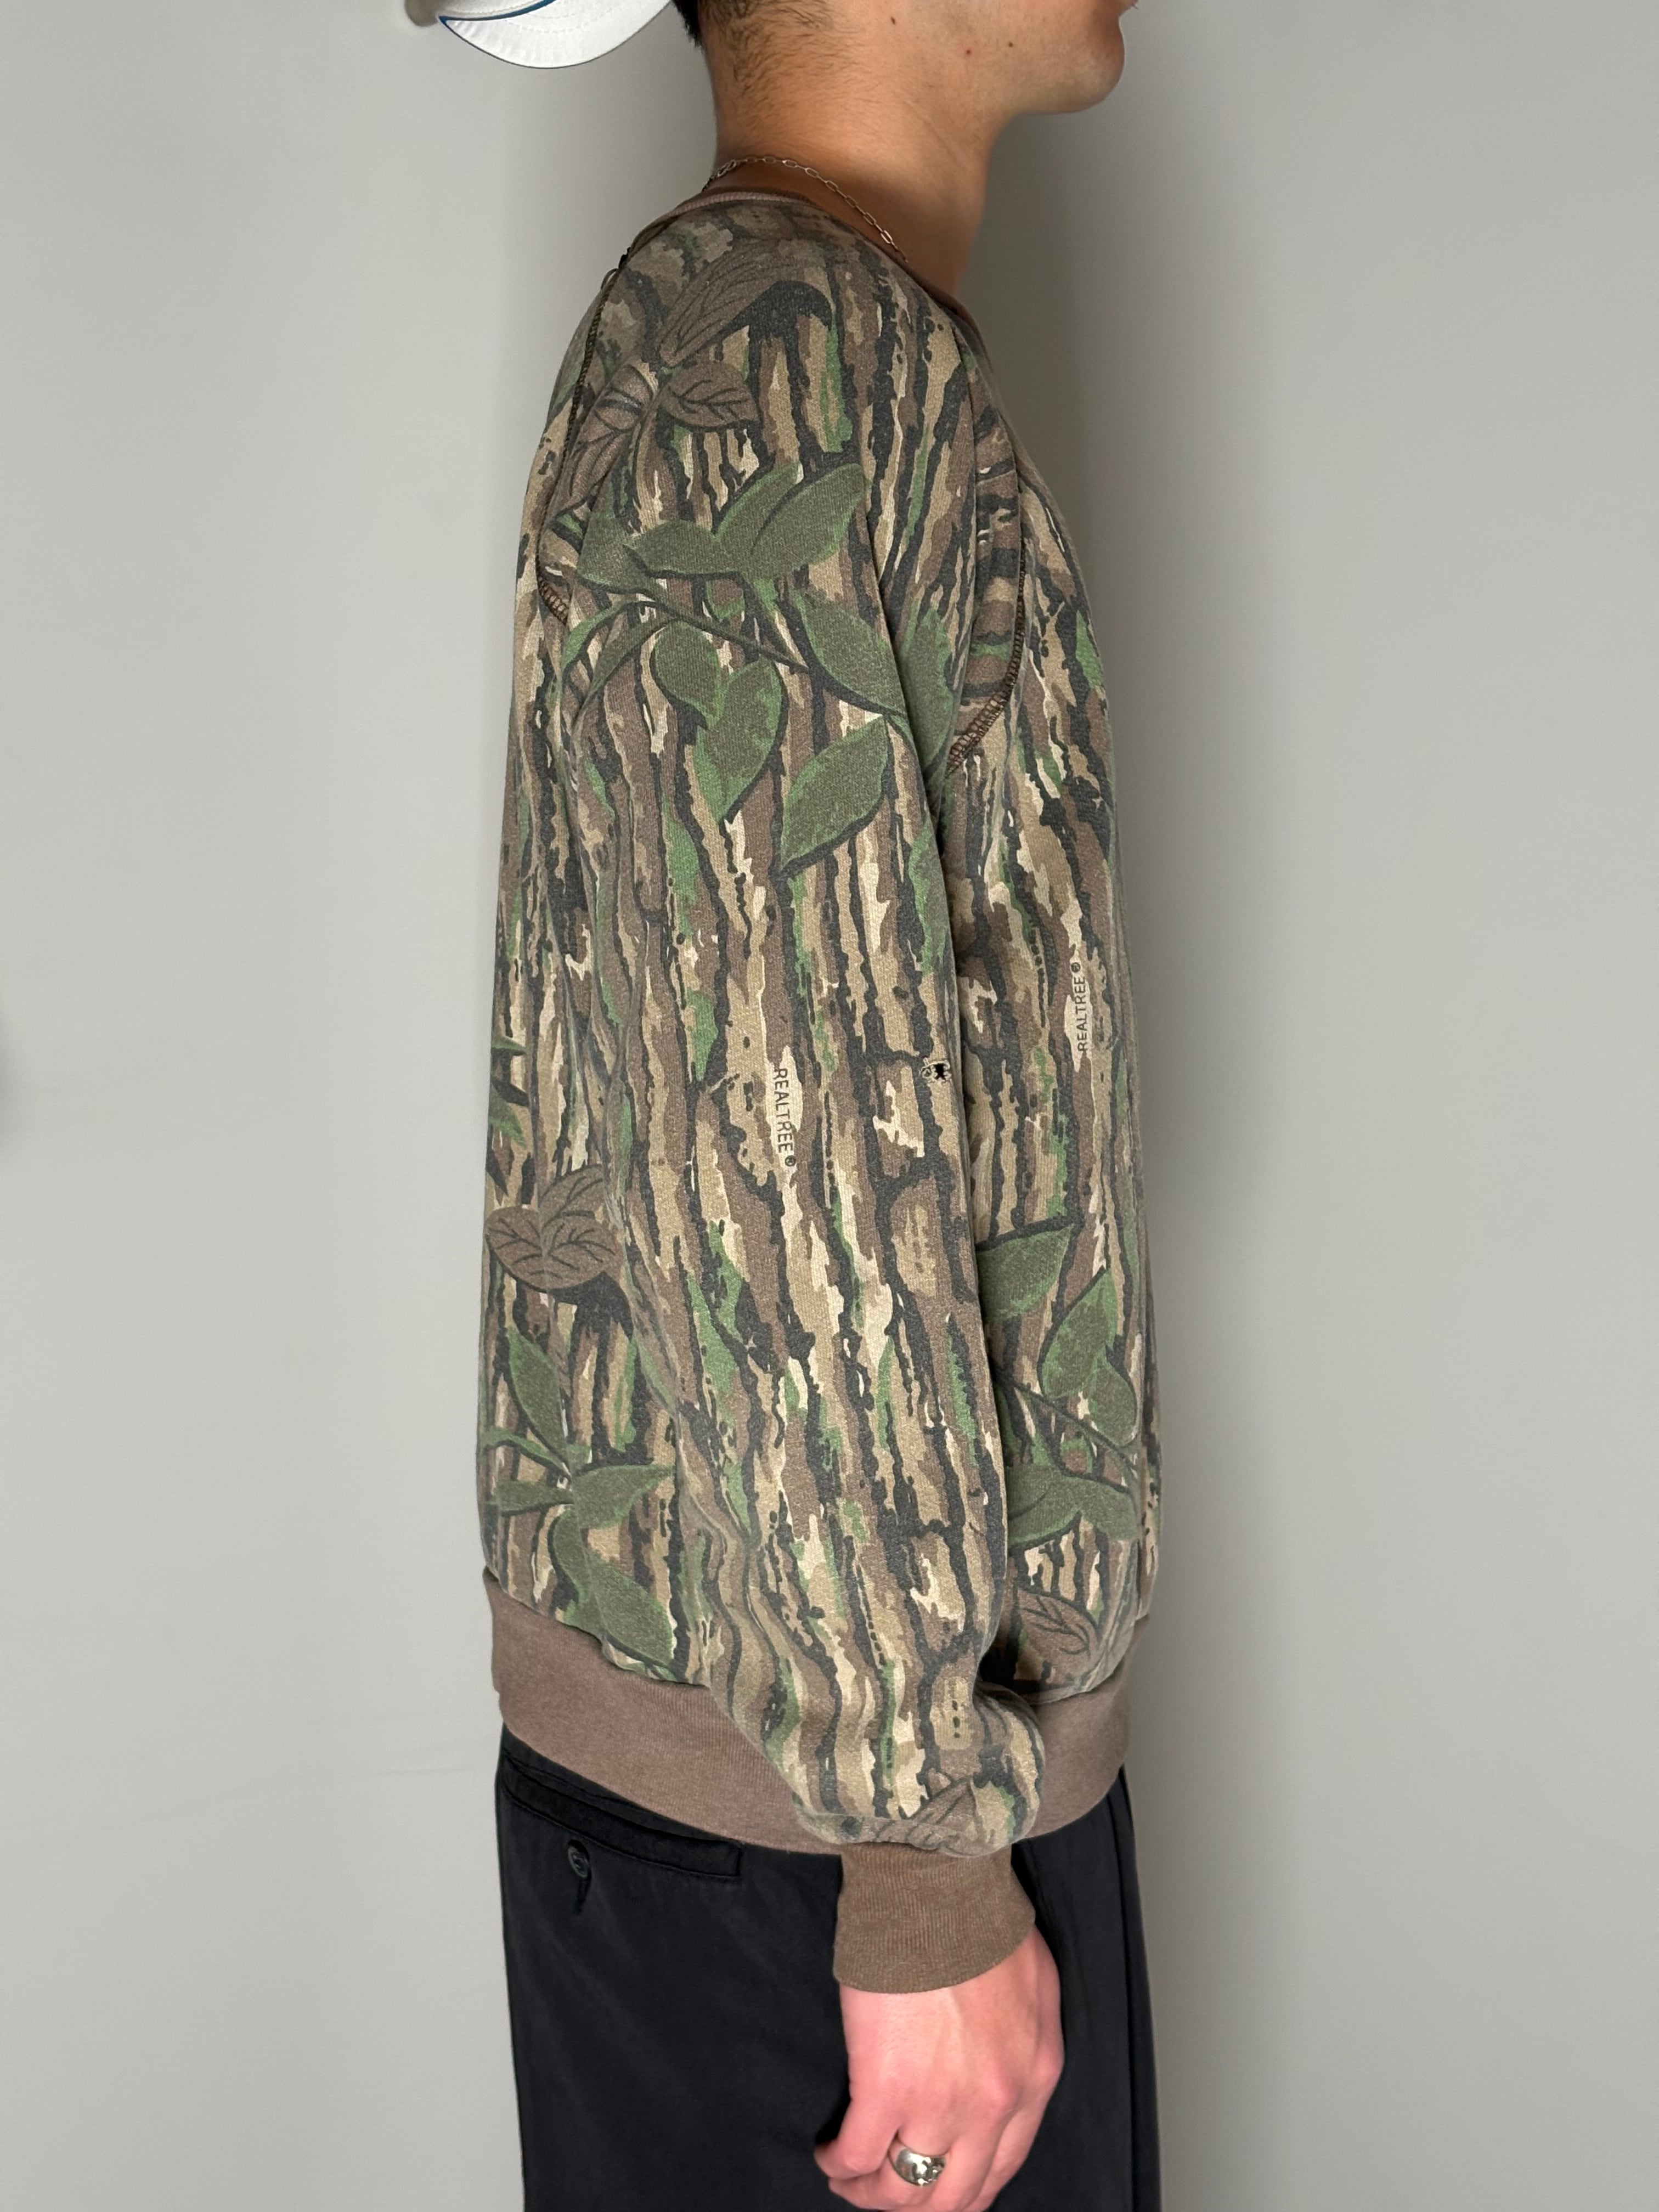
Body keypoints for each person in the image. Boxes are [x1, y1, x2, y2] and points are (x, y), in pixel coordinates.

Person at [452, 2, 1160, 2204]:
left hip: (889, 1797)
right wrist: (921, 1875)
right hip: (829, 1840)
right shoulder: (758, 359)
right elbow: (781, 1172)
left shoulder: (833, 338)